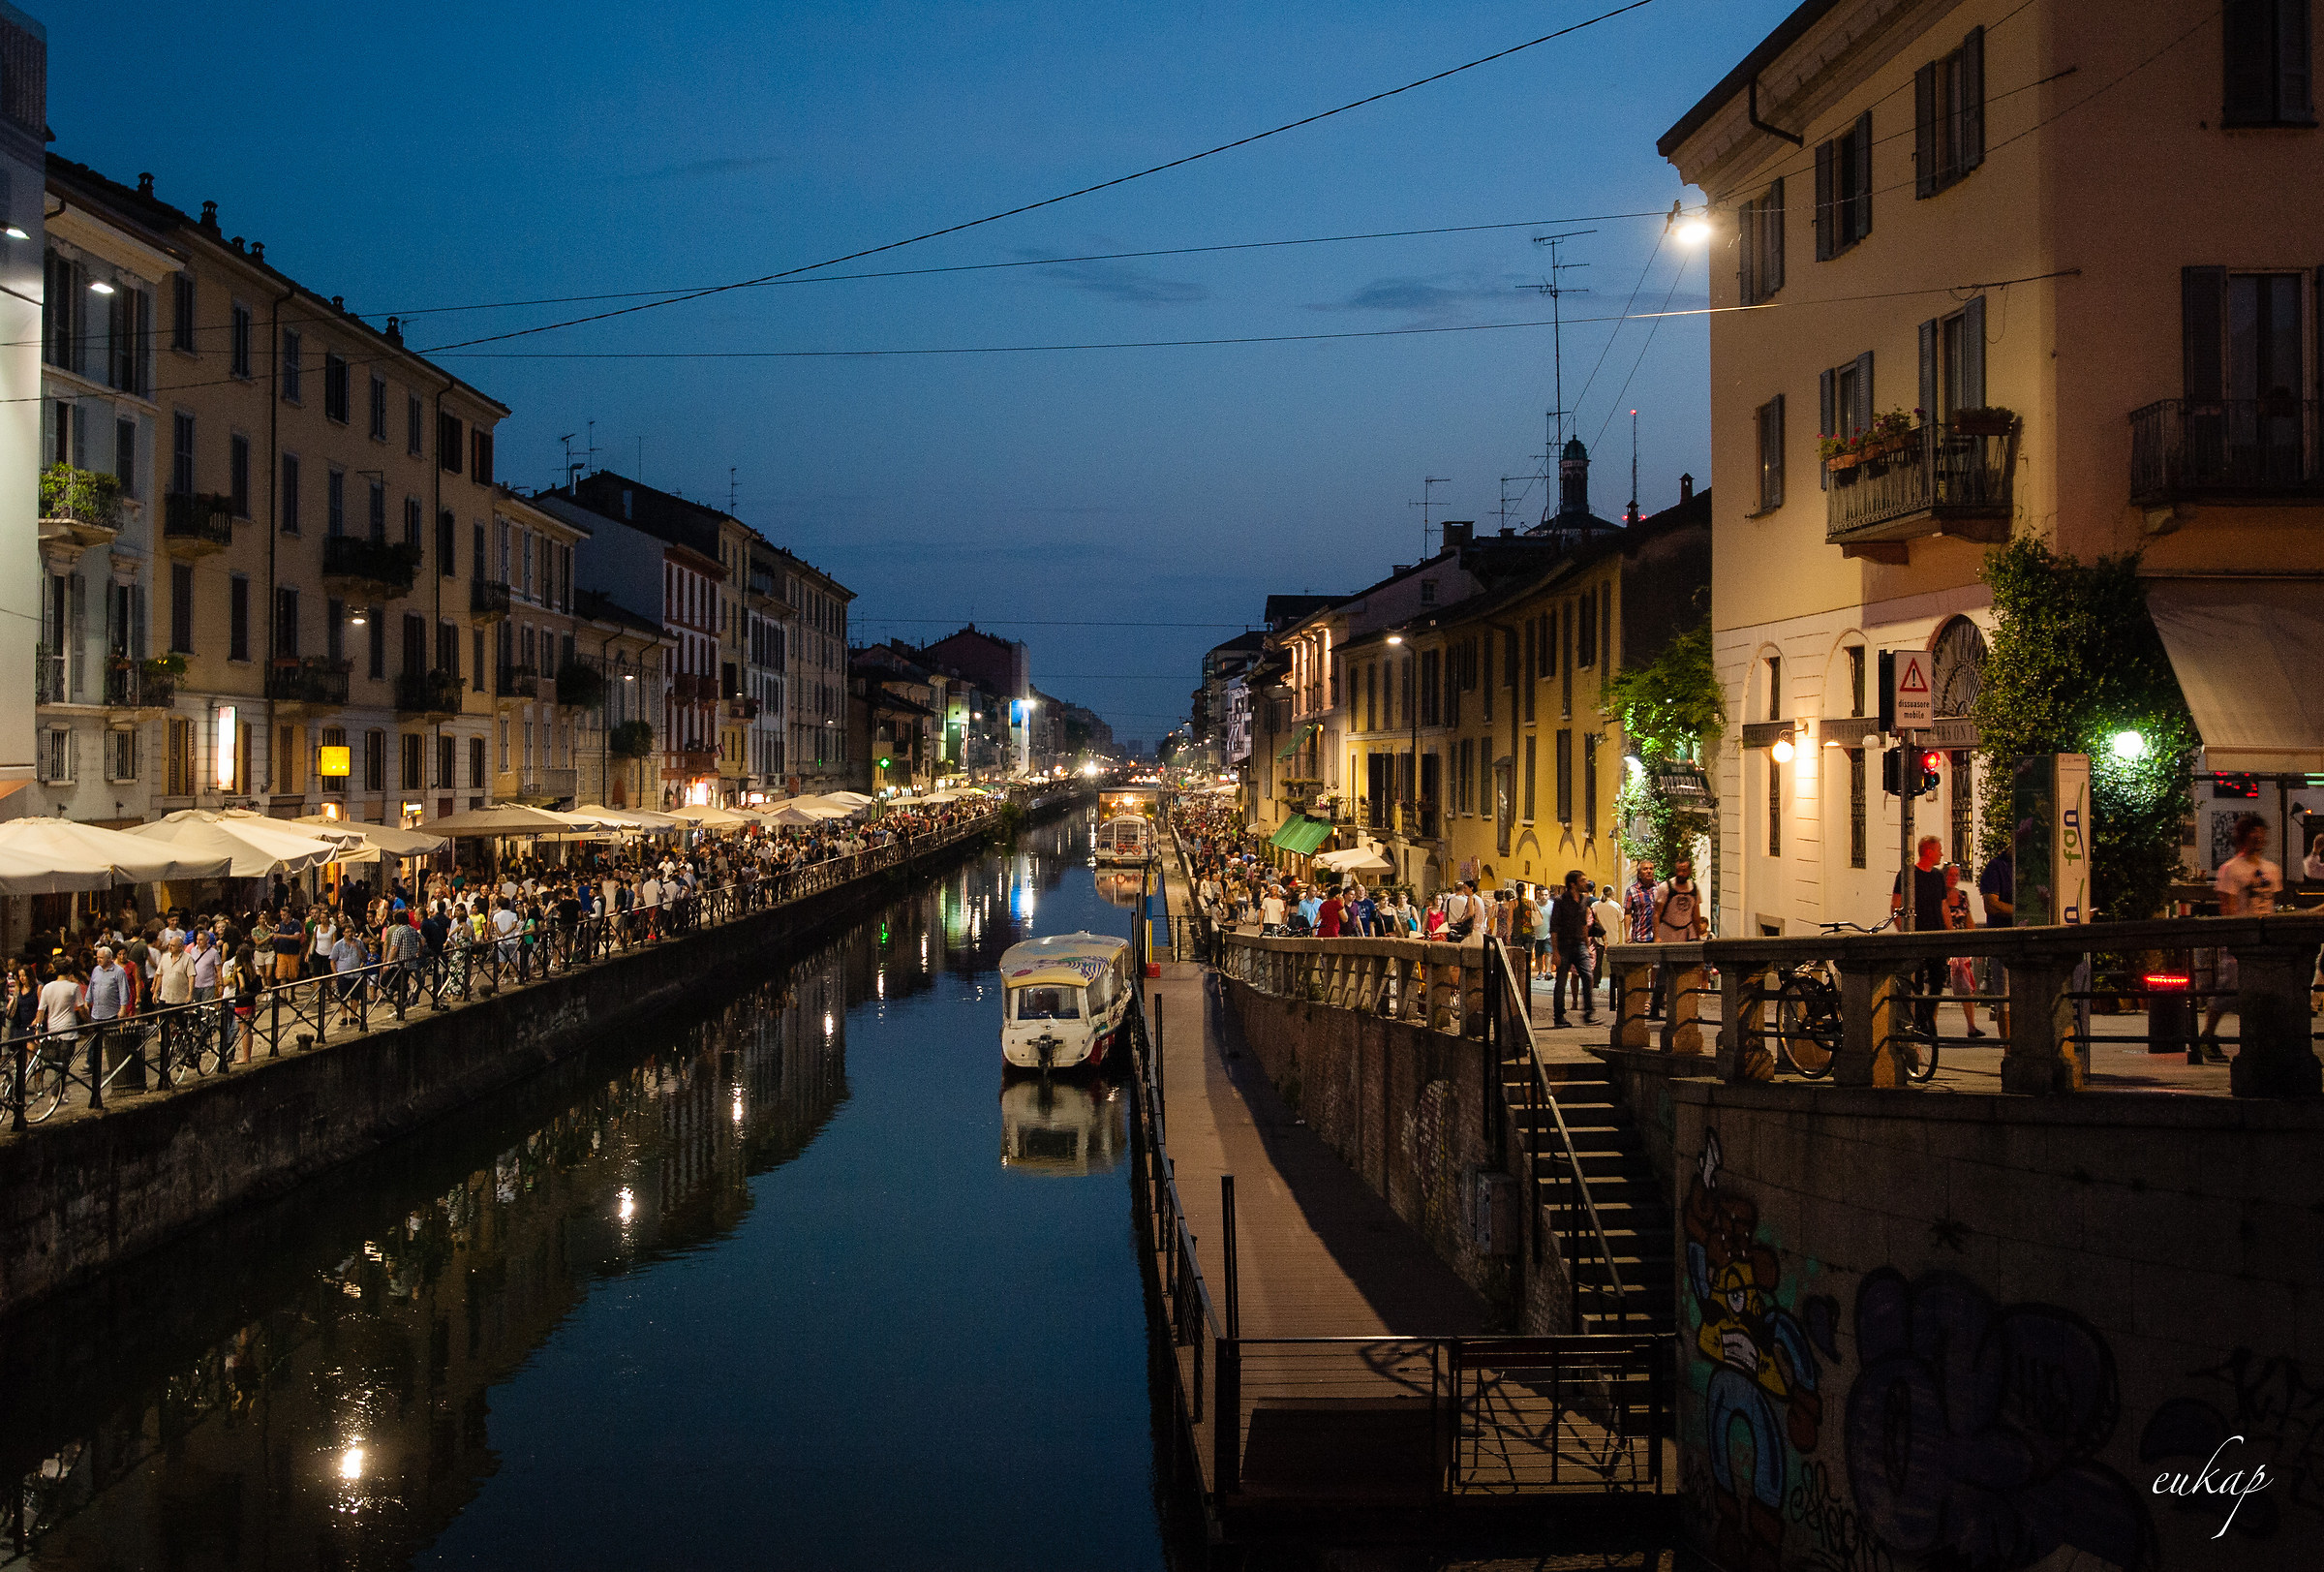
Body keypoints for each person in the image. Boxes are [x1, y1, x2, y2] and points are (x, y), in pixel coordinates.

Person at [2201, 815, 2282, 1059]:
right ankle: (2208, 1035)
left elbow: (2271, 902)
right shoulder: (2230, 869)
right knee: (2229, 988)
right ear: (2243, 835)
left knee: (2266, 991)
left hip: (2266, 937)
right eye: (2252, 831)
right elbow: (2227, 907)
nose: (2258, 836)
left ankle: (2260, 1039)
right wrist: (2233, 934)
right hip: (2241, 938)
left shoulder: (2272, 869)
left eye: (2261, 831)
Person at [1889, 836, 1949, 1042]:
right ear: (1929, 851)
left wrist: (1950, 934)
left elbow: (1944, 907)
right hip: (1917, 937)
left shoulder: (1938, 877)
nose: (1942, 854)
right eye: (1939, 849)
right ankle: (1921, 1021)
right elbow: (1896, 905)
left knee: (1938, 981)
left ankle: (1923, 1020)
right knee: (1915, 982)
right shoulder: (1908, 875)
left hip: (1936, 937)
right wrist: (1904, 932)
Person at [1942, 865, 1985, 1038]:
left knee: (1967, 989)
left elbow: (1969, 921)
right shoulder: (1939, 897)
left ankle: (1971, 1026)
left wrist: (1976, 945)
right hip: (1944, 948)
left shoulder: (1962, 896)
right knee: (1937, 989)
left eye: (1956, 875)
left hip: (1961, 949)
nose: (1953, 878)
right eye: (1950, 875)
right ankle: (1931, 1026)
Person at [1548, 872, 1596, 1027]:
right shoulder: (1561, 901)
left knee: (1588, 976)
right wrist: (1555, 951)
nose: (1586, 882)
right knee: (1561, 981)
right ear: (1573, 884)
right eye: (1582, 880)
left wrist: (1587, 946)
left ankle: (1588, 1012)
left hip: (1579, 945)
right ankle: (1559, 1016)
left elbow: (1583, 924)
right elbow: (1554, 927)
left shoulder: (1584, 900)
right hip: (1564, 945)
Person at [1978, 847, 2014, 1038]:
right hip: (2004, 940)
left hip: (2026, 937)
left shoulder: (2033, 867)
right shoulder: (1996, 867)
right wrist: (2021, 912)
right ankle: (2009, 1049)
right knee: (2005, 998)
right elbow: (1991, 905)